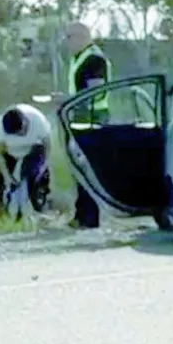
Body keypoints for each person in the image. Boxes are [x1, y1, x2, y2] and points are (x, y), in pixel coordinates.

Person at [61, 21, 112, 230]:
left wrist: (67, 100)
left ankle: (90, 218)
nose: (67, 42)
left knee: (87, 168)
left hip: (92, 119)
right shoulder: (79, 58)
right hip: (80, 118)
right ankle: (81, 215)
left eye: (70, 37)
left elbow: (95, 92)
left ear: (83, 37)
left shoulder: (94, 60)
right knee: (79, 169)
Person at [0, 103, 53, 219]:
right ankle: (2, 212)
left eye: (21, 132)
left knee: (34, 179)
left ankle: (41, 209)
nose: (20, 135)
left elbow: (48, 147)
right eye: (16, 134)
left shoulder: (38, 121)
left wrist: (43, 168)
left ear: (25, 122)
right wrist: (7, 177)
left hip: (34, 148)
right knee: (4, 185)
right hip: (10, 151)